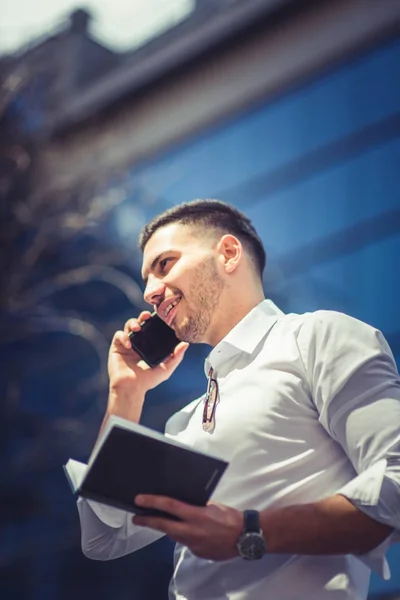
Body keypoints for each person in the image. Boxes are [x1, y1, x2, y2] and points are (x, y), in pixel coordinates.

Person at [77, 199, 400, 600]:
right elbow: (104, 537)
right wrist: (124, 394)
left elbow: (396, 480)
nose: (149, 293)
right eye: (146, 279)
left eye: (164, 265)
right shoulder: (185, 423)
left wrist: (250, 532)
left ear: (228, 253)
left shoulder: (317, 337)